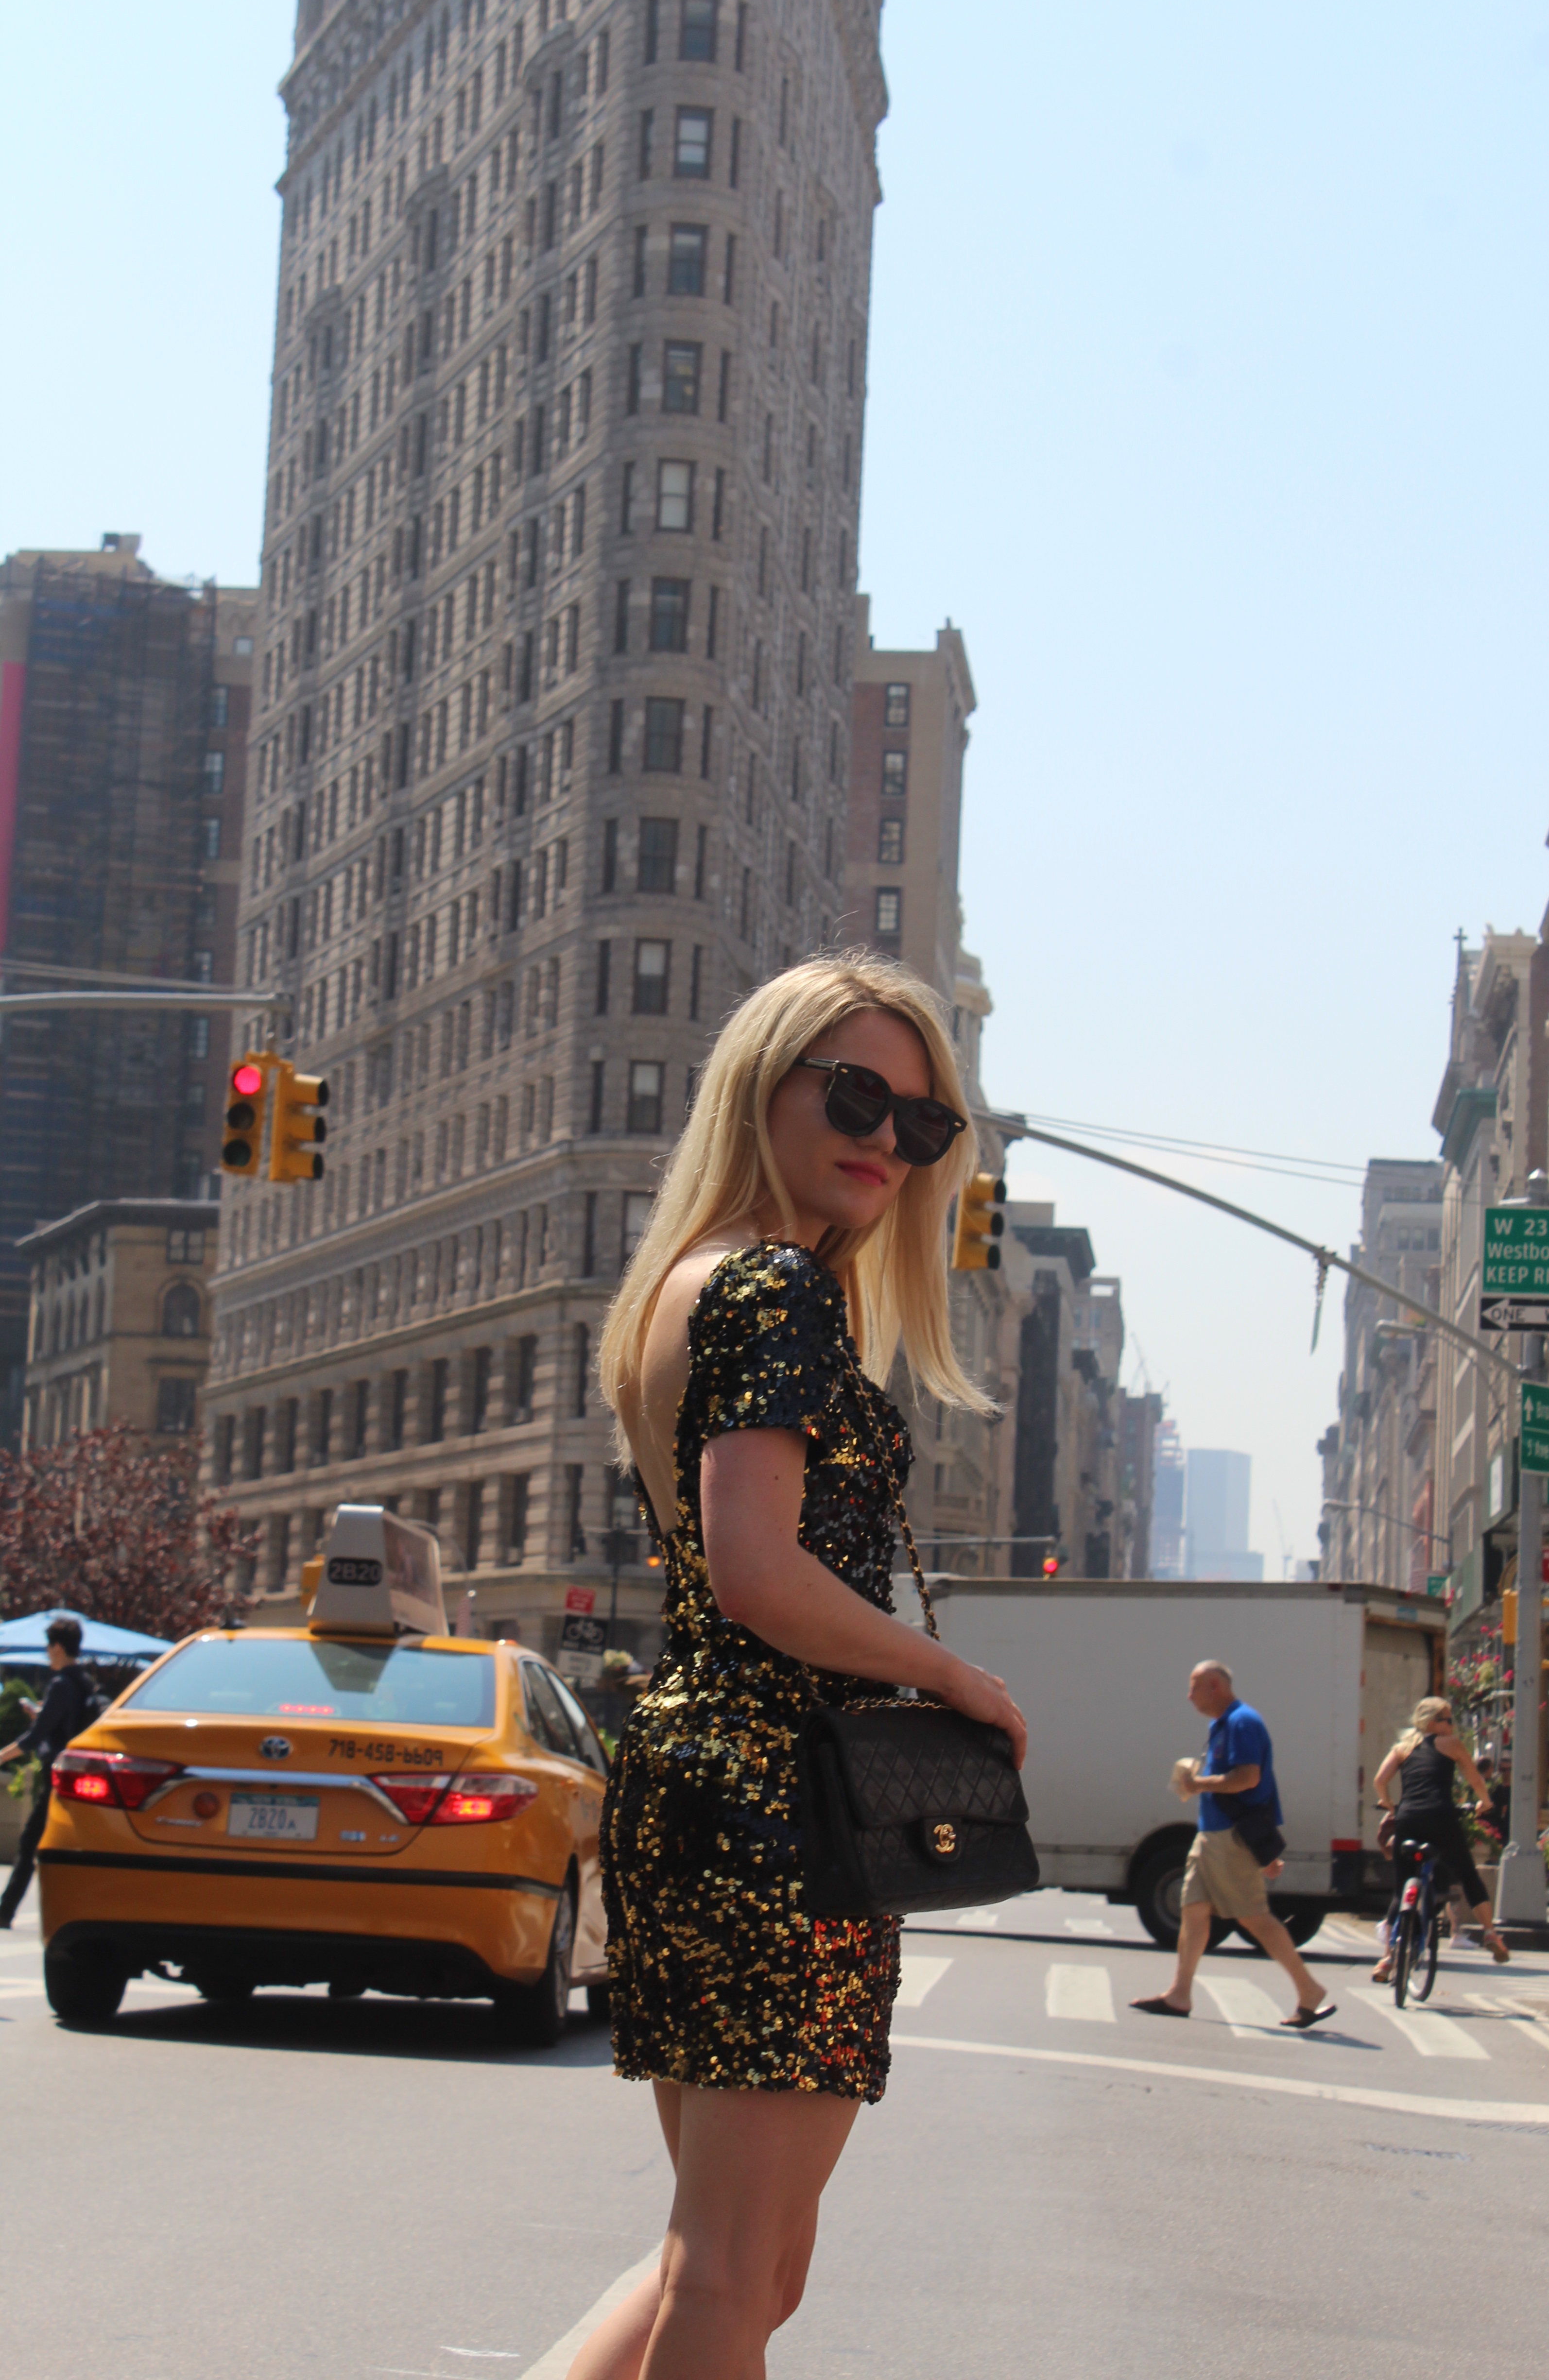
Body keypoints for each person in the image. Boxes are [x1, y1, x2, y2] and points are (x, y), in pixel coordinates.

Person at [572, 953, 1028, 2380]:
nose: (886, 1140)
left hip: (698, 1783)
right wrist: (955, 1682)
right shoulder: (775, 1289)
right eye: (854, 1096)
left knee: (732, 2266)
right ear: (756, 1089)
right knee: (733, 2275)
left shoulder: (685, 1285)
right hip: (783, 1802)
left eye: (922, 1124)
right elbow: (759, 1571)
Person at [1131, 1660, 1335, 2030]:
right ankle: (1180, 1994)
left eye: (1193, 1686)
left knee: (1254, 1916)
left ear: (1214, 1686)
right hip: (1211, 1835)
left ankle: (1310, 1990)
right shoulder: (1220, 1725)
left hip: (1230, 1839)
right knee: (1193, 1909)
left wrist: (1198, 1785)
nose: (1188, 1695)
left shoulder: (1244, 1722)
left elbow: (1249, 1779)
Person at [1370, 1697, 1510, 1979]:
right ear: (1432, 1722)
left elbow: (1379, 1781)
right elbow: (1475, 1779)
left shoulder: (1402, 1748)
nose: (1452, 1725)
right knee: (1468, 1876)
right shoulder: (1451, 1745)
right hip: (1441, 1818)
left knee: (1400, 1891)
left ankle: (1386, 1959)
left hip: (1408, 1820)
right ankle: (1491, 1935)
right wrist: (1485, 1803)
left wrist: (1389, 1805)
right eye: (1448, 1720)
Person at [0, 1617, 98, 1929]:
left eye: (48, 1646)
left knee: (31, 1843)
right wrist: (42, 1713)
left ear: (57, 1647)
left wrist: (1, 1756)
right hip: (80, 1776)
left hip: (57, 1777)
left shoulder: (60, 1685)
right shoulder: (83, 1682)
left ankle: (5, 1911)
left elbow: (34, 1739)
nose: (46, 1652)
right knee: (69, 1846)